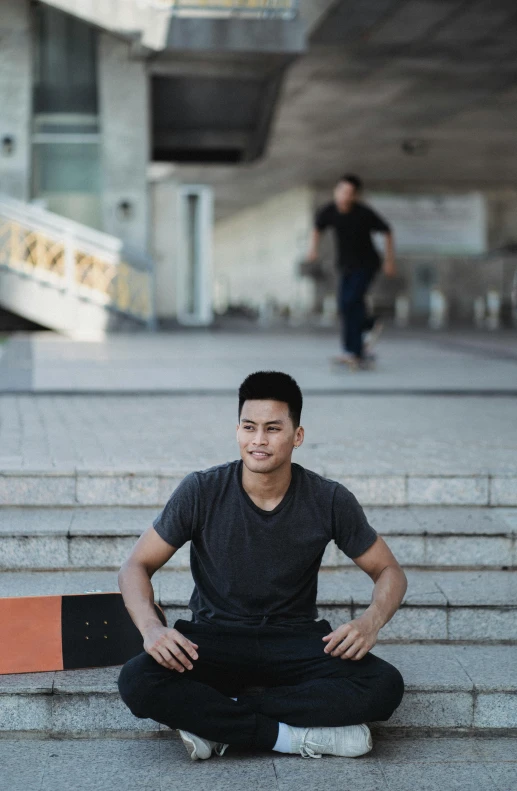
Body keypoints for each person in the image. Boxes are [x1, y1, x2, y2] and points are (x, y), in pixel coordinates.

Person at [118, 371, 406, 761]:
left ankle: (217, 721)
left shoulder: (328, 499)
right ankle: (291, 738)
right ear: (237, 430)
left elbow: (389, 571)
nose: (258, 440)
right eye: (249, 427)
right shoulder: (202, 490)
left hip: (294, 641)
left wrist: (369, 623)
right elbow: (136, 564)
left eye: (273, 429)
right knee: (137, 681)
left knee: (384, 685)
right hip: (213, 638)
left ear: (297, 436)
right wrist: (151, 628)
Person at [307, 174, 396, 366]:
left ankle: (366, 329)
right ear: (336, 191)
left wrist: (390, 261)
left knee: (351, 301)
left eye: (349, 193)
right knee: (346, 306)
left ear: (355, 196)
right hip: (345, 265)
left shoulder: (363, 213)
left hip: (367, 264)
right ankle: (354, 349)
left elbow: (387, 231)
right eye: (341, 191)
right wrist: (313, 249)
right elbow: (317, 227)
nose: (344, 196)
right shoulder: (330, 210)